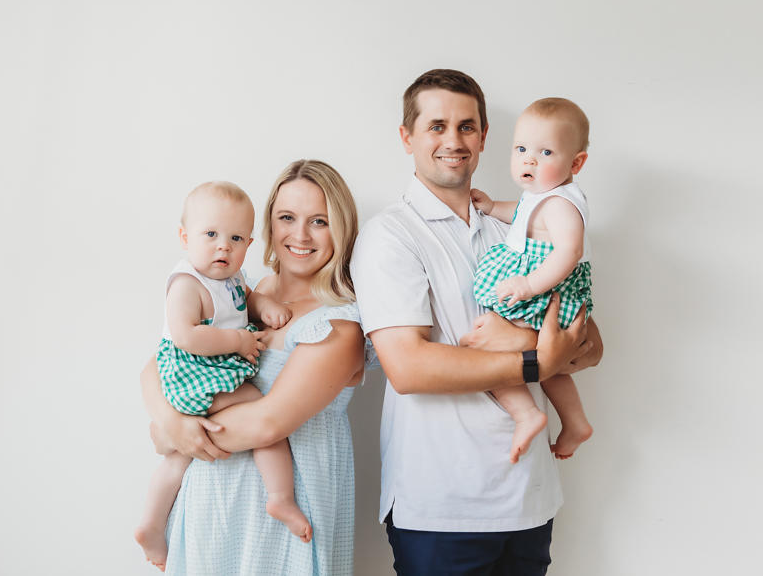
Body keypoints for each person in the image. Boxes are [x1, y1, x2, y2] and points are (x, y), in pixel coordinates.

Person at [351, 69, 604, 575]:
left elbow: (590, 344)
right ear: (408, 137)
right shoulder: (390, 236)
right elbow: (409, 369)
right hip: (441, 505)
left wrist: (524, 340)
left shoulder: (523, 226)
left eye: (467, 127)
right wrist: (537, 360)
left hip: (527, 500)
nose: (454, 140)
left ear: (485, 136)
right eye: (436, 126)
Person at [140, 160, 366, 576]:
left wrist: (178, 432)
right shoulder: (245, 294)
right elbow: (157, 363)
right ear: (267, 226)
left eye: (319, 221)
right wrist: (170, 419)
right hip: (212, 504)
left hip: (287, 515)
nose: (299, 235)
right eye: (286, 218)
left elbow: (266, 424)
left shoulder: (339, 325)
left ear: (341, 228)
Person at [135, 181, 311, 572]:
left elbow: (244, 298)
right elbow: (185, 335)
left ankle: (150, 524)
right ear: (185, 237)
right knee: (258, 408)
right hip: (193, 372)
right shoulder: (186, 284)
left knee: (181, 456)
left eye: (235, 238)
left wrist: (263, 306)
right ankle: (280, 495)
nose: (223, 247)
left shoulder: (230, 279)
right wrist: (236, 340)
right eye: (211, 234)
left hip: (209, 372)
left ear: (249, 242)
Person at [470, 98, 595, 463]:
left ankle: (532, 415)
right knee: (540, 358)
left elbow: (568, 253)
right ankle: (571, 420)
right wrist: (494, 207)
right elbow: (524, 214)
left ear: (576, 163)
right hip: (541, 283)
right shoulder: (542, 196)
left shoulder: (562, 205)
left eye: (545, 151)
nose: (529, 159)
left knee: (496, 350)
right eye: (521, 149)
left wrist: (528, 285)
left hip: (548, 286)